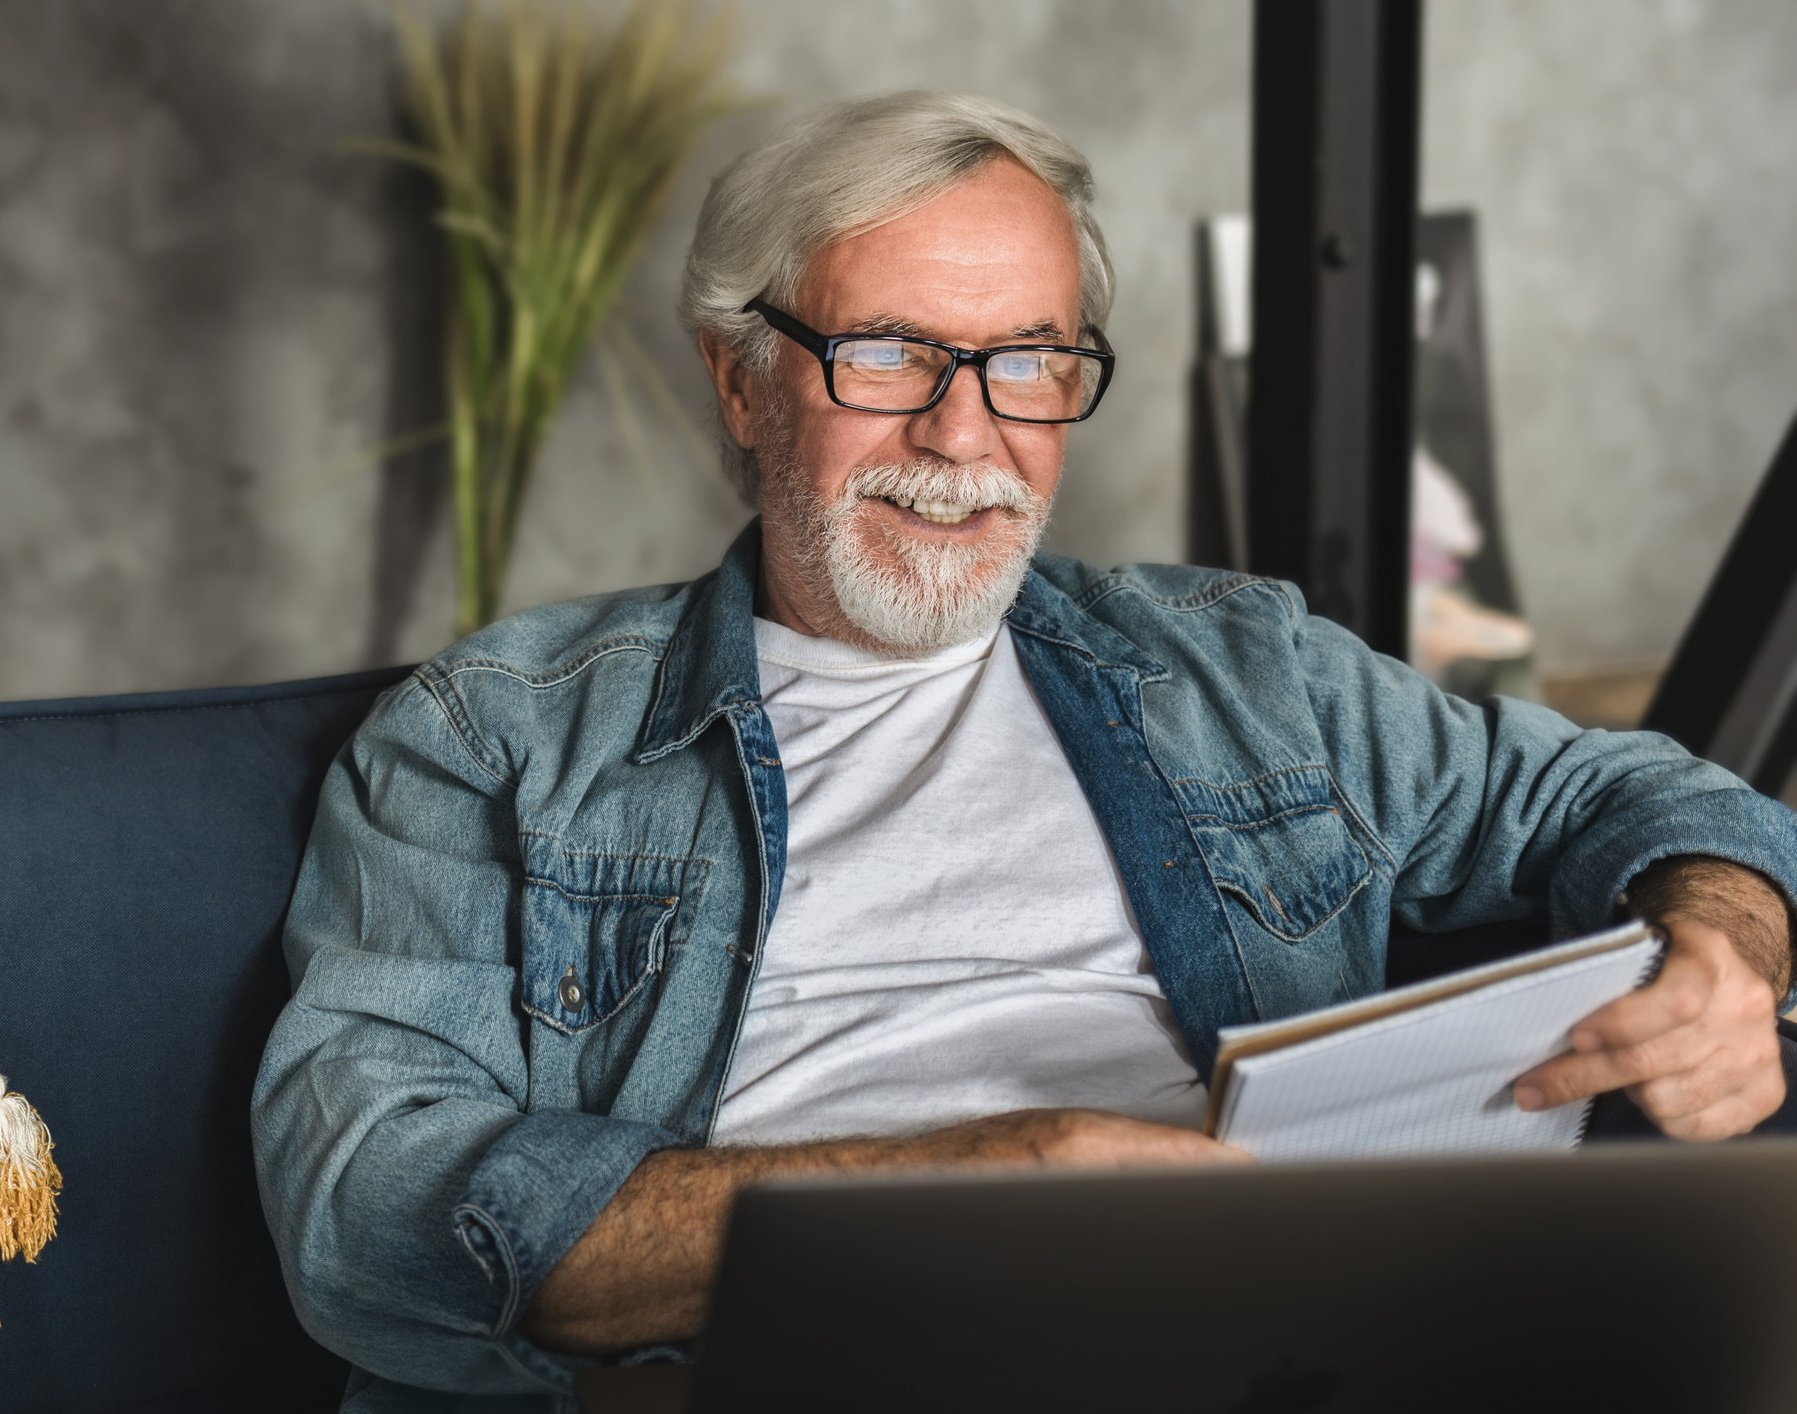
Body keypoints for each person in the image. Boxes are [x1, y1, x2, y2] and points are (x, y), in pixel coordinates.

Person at [252, 91, 1797, 1411]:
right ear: (740, 376)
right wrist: (982, 1180)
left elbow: (1626, 792)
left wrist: (1724, 941)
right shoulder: (495, 734)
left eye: (1028, 362)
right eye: (888, 354)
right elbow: (368, 1205)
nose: (964, 433)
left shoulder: (1238, 668)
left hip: (1278, 1353)